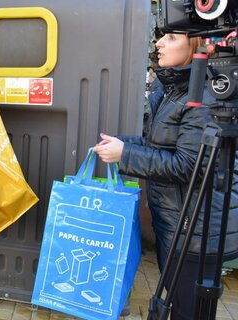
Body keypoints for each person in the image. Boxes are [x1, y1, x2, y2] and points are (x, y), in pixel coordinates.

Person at [93, 33, 238, 320]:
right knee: (178, 304)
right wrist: (124, 144)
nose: (159, 43)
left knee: (187, 311)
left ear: (196, 45)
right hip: (176, 225)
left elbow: (188, 165)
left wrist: (125, 154)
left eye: (171, 38)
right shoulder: (176, 89)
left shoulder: (204, 96)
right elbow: (163, 145)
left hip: (196, 233)